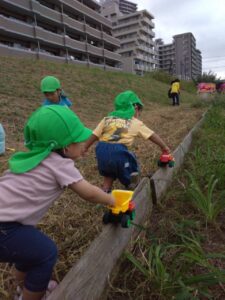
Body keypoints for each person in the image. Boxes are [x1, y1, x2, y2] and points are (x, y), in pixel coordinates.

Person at [0, 106, 115, 300]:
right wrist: (112, 200)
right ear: (66, 148)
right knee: (45, 253)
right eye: (80, 142)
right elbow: (90, 194)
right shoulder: (58, 164)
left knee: (28, 251)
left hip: (8, 225)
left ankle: (19, 289)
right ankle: (32, 296)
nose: (84, 146)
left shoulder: (30, 159)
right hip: (4, 229)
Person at [83, 90, 170, 193]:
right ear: (135, 108)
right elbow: (152, 136)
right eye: (139, 112)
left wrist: (85, 147)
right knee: (131, 169)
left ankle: (105, 192)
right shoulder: (135, 122)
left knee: (108, 174)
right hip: (118, 152)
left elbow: (94, 135)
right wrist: (164, 147)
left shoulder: (107, 119)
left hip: (101, 150)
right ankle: (134, 189)